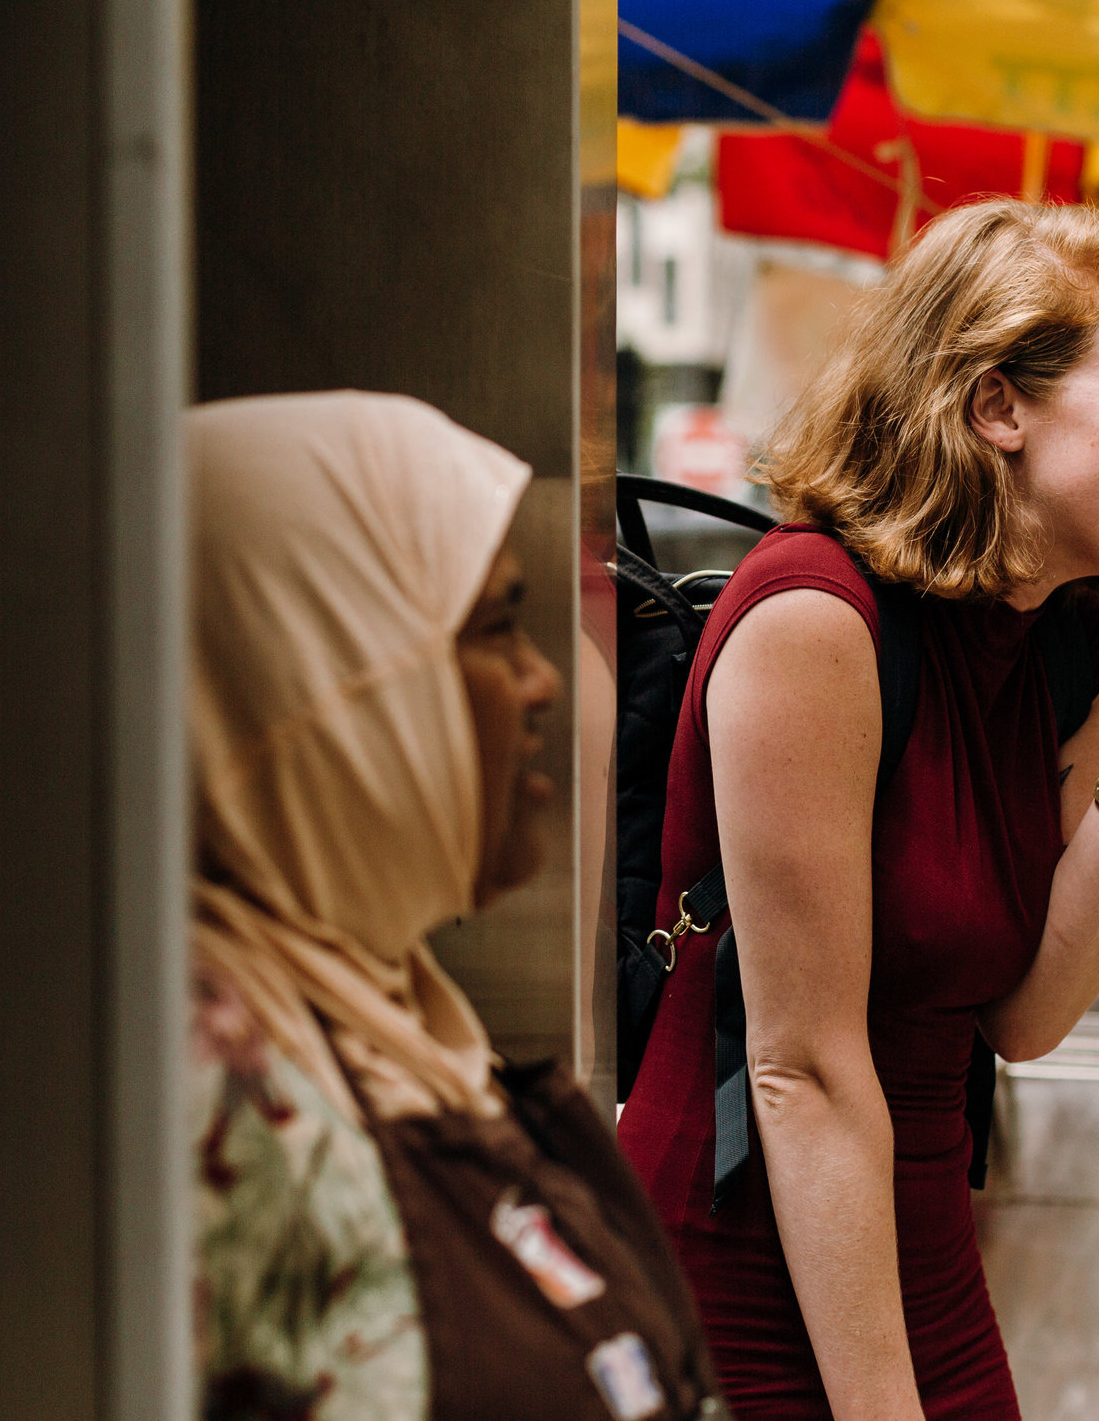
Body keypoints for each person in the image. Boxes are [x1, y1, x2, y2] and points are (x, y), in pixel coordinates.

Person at [618, 201, 1099, 1419]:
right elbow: (798, 1066)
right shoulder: (815, 616)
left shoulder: (1082, 635)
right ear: (997, 406)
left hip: (924, 1261)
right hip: (738, 1277)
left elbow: (1023, 1018)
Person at [187, 391, 725, 1421]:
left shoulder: (390, 1011)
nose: (541, 682)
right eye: (490, 631)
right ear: (327, 680)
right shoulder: (206, 1084)